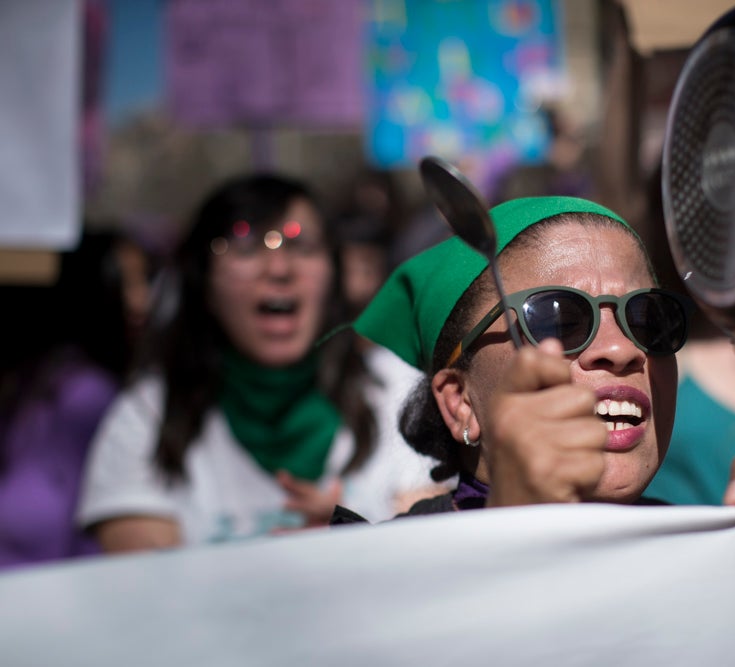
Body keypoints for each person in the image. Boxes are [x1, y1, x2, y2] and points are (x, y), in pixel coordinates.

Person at [335, 195, 735, 573]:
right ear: (460, 403)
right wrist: (511, 548)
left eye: (649, 319)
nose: (623, 349)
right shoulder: (370, 582)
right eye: (558, 318)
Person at [77, 173, 443, 553]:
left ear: (334, 273)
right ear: (202, 277)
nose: (279, 268)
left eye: (301, 245)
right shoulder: (147, 418)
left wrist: (357, 537)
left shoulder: (400, 393)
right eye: (247, 246)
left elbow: (437, 540)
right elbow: (144, 590)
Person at [0, 230, 148, 570]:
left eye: (145, 280)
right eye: (126, 283)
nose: (142, 302)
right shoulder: (84, 393)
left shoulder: (44, 377)